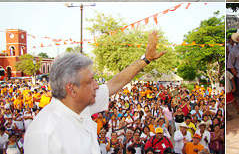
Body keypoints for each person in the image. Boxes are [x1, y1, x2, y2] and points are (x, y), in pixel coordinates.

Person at [24, 30, 166, 153]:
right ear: (71, 89)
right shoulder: (45, 132)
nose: (97, 86)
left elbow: (114, 83)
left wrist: (145, 59)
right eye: (90, 81)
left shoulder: (82, 105)